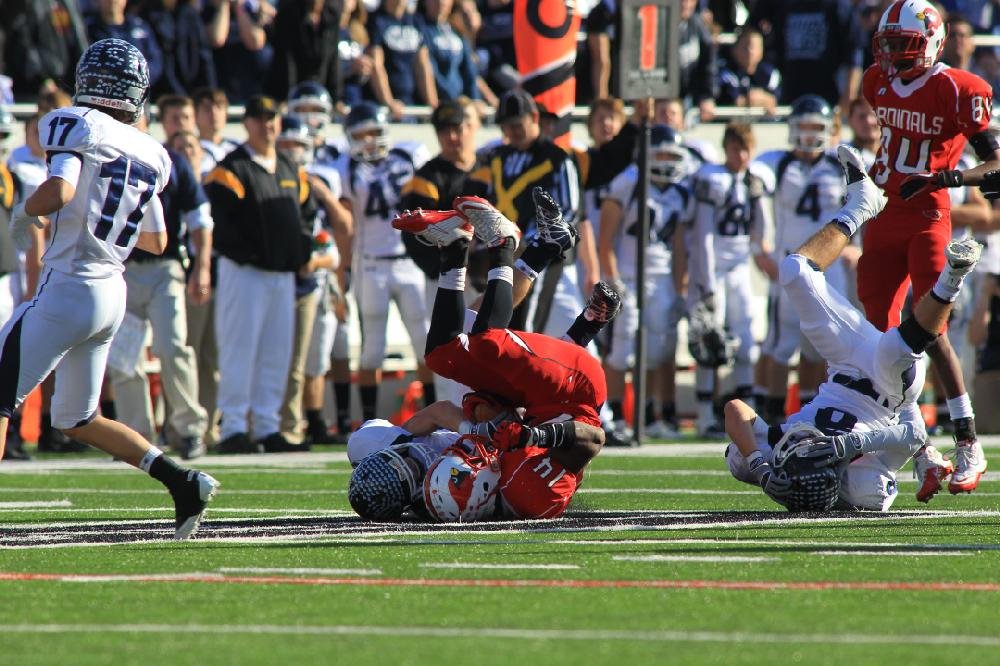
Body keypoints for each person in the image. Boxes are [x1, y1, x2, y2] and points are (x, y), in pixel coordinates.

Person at [3, 39, 218, 538]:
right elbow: (158, 239)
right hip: (110, 293)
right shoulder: (151, 150)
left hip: (68, 285)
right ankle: (181, 481)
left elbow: (60, 190)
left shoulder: (73, 121)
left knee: (0, 394)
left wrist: (26, 210)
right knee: (76, 418)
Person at [725, 145, 980, 511]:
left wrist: (761, 469)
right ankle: (952, 277)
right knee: (898, 350)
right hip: (889, 391)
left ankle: (859, 204)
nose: (801, 448)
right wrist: (847, 446)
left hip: (842, 364)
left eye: (794, 457)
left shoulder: (774, 456)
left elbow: (735, 410)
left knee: (795, 272)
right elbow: (913, 433)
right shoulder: (862, 480)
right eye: (808, 455)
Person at [348, 188, 621, 520]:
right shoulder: (524, 492)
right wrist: (583, 330)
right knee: (486, 342)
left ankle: (456, 249)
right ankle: (505, 248)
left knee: (441, 355)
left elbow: (449, 413)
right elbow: (590, 437)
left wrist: (478, 431)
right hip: (576, 390)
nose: (471, 457)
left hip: (537, 397)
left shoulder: (432, 477)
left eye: (399, 457)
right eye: (410, 466)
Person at [858, 0, 1000, 494]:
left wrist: (948, 176)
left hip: (927, 213)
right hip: (881, 212)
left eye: (905, 45)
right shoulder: (875, 81)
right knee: (877, 336)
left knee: (930, 326)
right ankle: (920, 447)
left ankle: (967, 438)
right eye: (889, 45)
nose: (894, 55)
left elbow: (997, 165)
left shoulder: (956, 88)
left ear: (933, 43)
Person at [467, 90, 647, 337]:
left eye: (517, 124)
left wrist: (529, 245)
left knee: (527, 332)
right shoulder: (497, 157)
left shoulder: (558, 158)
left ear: (533, 117)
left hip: (547, 263)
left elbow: (570, 211)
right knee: (502, 330)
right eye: (507, 126)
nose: (513, 131)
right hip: (507, 259)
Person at [204, 95, 317, 454]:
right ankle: (233, 427)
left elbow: (306, 216)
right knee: (239, 348)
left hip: (281, 276)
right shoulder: (231, 168)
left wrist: (301, 253)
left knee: (276, 351)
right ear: (248, 123)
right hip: (245, 272)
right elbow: (220, 223)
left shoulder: (289, 168)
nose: (268, 125)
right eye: (260, 118)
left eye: (273, 118)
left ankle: (268, 426)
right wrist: (255, 253)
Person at [109, 111, 212, 460]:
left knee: (173, 347)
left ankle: (188, 428)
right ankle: (134, 435)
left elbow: (200, 216)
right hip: (120, 267)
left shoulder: (166, 158)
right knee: (125, 357)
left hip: (165, 267)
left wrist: (202, 267)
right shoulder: (104, 155)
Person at [336, 102, 434, 422]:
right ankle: (367, 420)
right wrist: (346, 267)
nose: (368, 140)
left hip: (409, 261)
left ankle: (432, 413)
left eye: (374, 132)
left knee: (424, 342)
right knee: (372, 348)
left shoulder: (409, 156)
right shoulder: (345, 167)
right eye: (360, 135)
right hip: (371, 264)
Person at [754, 96, 849, 425]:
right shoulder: (776, 163)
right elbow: (756, 182)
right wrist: (760, 249)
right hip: (790, 264)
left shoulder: (840, 163)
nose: (809, 135)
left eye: (815, 127)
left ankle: (813, 411)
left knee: (822, 346)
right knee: (782, 344)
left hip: (830, 267)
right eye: (803, 126)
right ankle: (773, 412)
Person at [598, 125, 691, 442]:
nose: (667, 161)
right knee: (623, 348)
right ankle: (612, 415)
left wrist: (680, 290)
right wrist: (612, 279)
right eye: (661, 153)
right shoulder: (629, 182)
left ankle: (648, 415)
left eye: (671, 155)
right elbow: (605, 238)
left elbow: (679, 247)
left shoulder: (680, 191)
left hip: (661, 277)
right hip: (629, 275)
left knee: (656, 349)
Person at [684, 122, 775, 437]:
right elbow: (703, 235)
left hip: (738, 269)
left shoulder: (753, 179)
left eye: (747, 148)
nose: (742, 155)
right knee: (709, 342)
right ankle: (705, 415)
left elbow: (761, 232)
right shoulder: (713, 179)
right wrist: (706, 282)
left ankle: (748, 414)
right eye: (737, 148)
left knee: (746, 340)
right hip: (712, 269)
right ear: (726, 148)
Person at [366, 0, 439, 119]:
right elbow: (376, 65)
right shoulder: (376, 20)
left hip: (411, 103)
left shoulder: (415, 21)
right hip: (385, 105)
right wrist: (389, 101)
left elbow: (422, 64)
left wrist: (432, 102)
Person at [86, 0, 165, 89]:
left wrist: (136, 79)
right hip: (101, 92)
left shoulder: (140, 27)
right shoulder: (87, 30)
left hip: (137, 91)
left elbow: (155, 61)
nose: (113, 1)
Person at [716, 26, 781, 115]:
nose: (750, 52)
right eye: (745, 47)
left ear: (761, 51)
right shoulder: (726, 72)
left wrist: (759, 98)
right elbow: (735, 101)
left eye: (753, 47)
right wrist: (757, 100)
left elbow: (775, 99)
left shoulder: (770, 73)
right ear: (734, 50)